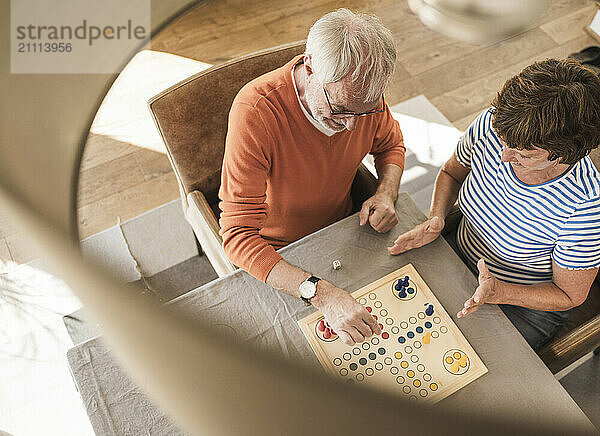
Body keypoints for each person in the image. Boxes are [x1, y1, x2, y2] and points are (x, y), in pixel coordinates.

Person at [219, 9, 406, 346]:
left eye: (364, 112)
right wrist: (321, 294)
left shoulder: (363, 98)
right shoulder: (256, 112)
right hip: (279, 254)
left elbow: (391, 144)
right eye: (340, 110)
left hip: (344, 229)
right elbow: (237, 237)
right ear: (309, 67)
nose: (352, 125)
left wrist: (386, 192)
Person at [389, 58, 600, 350]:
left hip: (522, 305)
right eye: (503, 140)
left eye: (524, 155)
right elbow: (451, 172)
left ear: (564, 155)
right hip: (458, 252)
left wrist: (499, 291)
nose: (502, 156)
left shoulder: (586, 208)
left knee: (446, 357)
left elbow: (569, 295)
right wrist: (437, 217)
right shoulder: (491, 124)